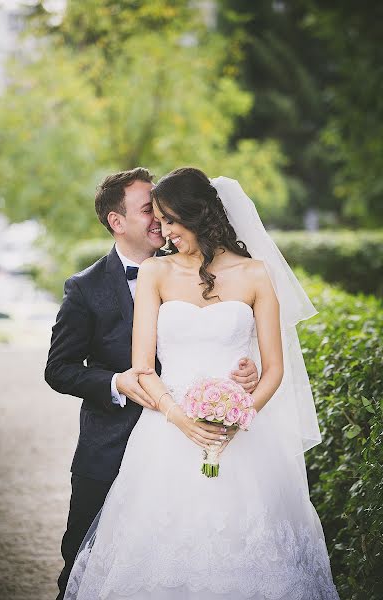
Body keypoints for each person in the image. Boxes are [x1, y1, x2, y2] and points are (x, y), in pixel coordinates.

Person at [63, 167, 339, 599]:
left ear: (199, 216)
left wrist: (239, 417)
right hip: (165, 434)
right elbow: (142, 368)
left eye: (170, 220)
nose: (165, 231)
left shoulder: (256, 274)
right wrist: (180, 419)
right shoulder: (156, 272)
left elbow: (275, 371)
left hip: (244, 439)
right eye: (158, 219)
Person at [45, 167, 258, 600]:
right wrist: (116, 381)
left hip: (194, 444)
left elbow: (228, 334)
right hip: (110, 447)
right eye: (148, 211)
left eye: (163, 212)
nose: (161, 221)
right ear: (116, 222)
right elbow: (59, 368)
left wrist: (246, 371)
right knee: (85, 567)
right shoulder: (84, 288)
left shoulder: (204, 268)